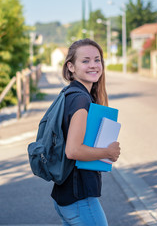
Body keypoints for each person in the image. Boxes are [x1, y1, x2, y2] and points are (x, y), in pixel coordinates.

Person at [51, 38, 121, 226]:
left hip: (67, 195)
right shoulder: (81, 100)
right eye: (85, 60)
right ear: (71, 66)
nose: (94, 65)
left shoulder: (70, 93)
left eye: (97, 60)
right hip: (79, 199)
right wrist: (108, 152)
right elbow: (73, 150)